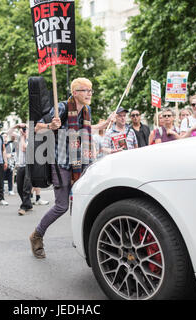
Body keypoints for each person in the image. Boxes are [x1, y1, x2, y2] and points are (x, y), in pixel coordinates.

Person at [29, 77, 112, 259]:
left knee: (82, 202)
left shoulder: (87, 111)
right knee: (61, 206)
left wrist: (102, 125)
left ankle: (85, 242)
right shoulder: (62, 107)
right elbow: (37, 128)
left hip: (80, 164)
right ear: (75, 93)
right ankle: (37, 235)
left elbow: (86, 129)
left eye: (91, 90)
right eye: (85, 90)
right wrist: (50, 125)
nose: (89, 93)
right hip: (61, 163)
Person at [12, 123, 33, 216]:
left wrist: (25, 134)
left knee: (26, 187)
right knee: (19, 187)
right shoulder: (20, 138)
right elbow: (9, 133)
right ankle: (28, 204)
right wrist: (16, 126)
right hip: (20, 165)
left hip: (29, 165)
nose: (23, 131)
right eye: (23, 129)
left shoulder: (30, 139)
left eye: (25, 129)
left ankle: (24, 207)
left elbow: (24, 148)